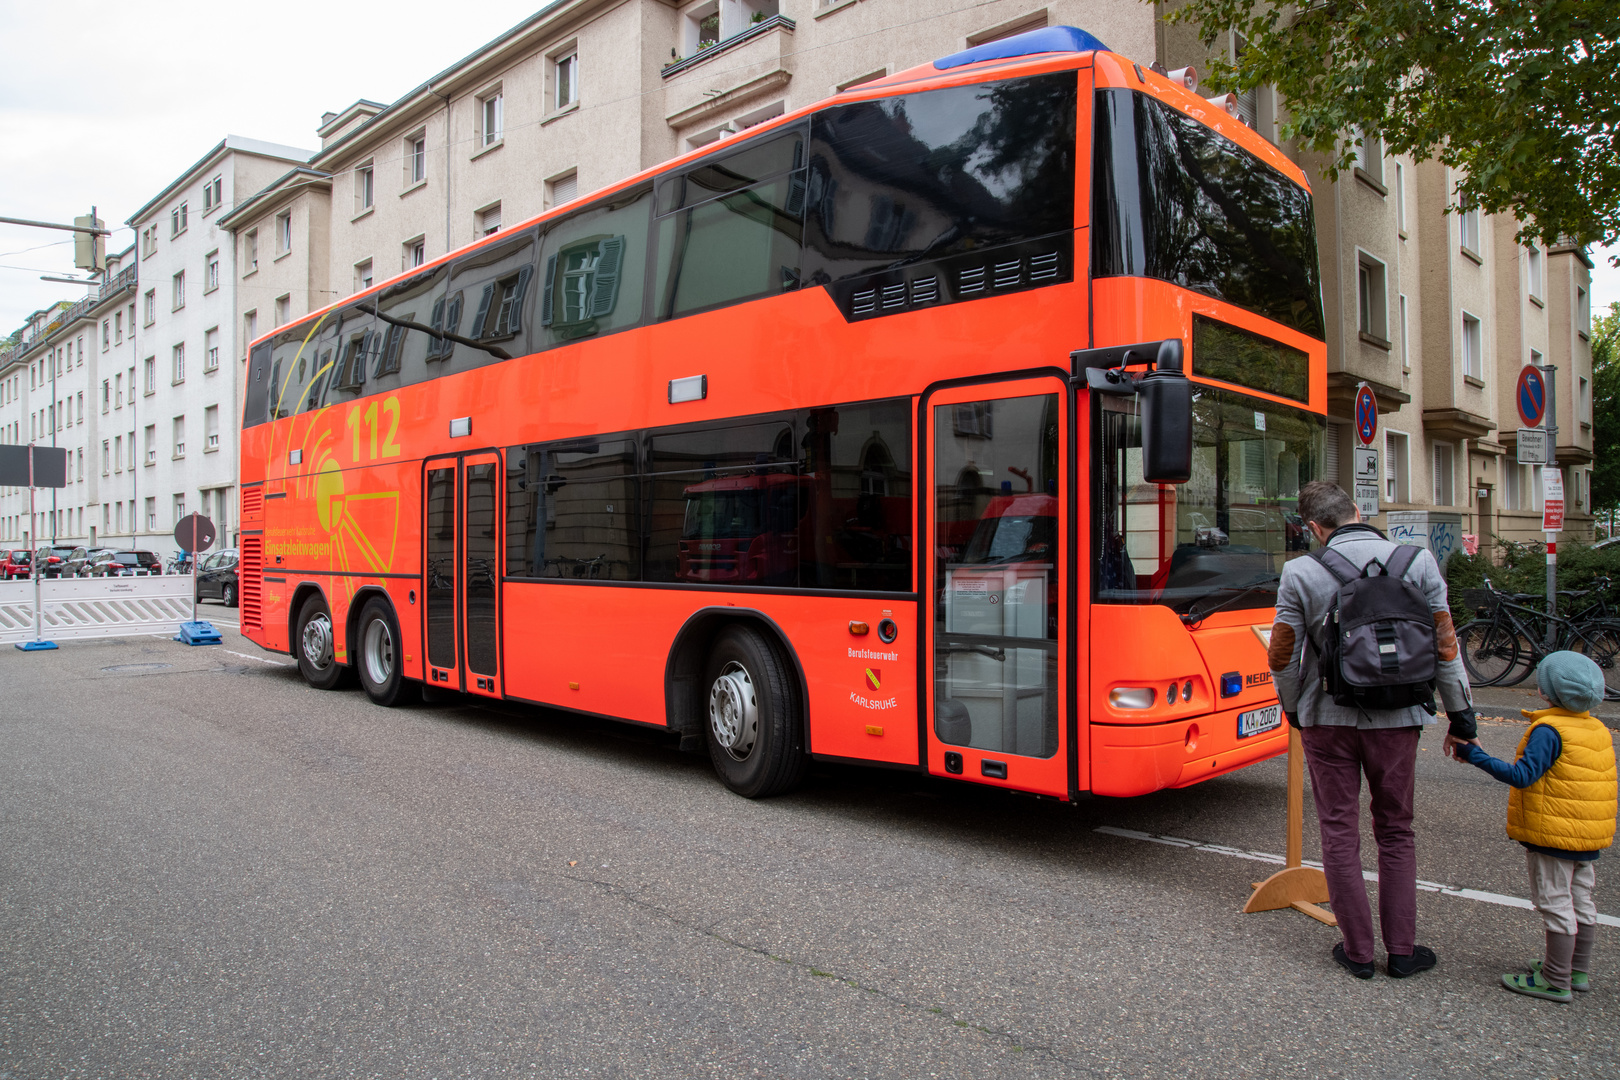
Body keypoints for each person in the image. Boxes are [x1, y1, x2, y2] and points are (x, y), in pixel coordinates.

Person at [1268, 480, 1477, 979]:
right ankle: (1402, 952)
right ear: (1358, 511)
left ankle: (1358, 952)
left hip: (1327, 717)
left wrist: (1295, 710)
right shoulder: (1418, 561)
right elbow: (1446, 646)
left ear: (1314, 528)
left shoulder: (1300, 571)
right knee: (1396, 830)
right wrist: (1461, 717)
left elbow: (1280, 654)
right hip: (1399, 718)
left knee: (1339, 832)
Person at [1452, 651, 1617, 1003]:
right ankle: (1576, 969)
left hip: (1555, 835)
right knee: (1580, 899)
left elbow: (1522, 776)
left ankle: (1555, 979)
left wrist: (1473, 755)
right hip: (1588, 836)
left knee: (1555, 901)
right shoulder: (1597, 728)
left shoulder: (1549, 730)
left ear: (1546, 692)